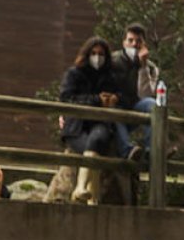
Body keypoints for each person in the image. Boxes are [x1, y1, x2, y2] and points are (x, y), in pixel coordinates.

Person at [60, 36, 120, 204]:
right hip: (76, 127)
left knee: (97, 140)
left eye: (101, 54)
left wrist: (113, 99)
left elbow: (120, 97)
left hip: (100, 124)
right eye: (93, 53)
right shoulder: (74, 74)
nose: (97, 57)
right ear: (87, 54)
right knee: (91, 147)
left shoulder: (110, 77)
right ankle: (91, 198)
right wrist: (96, 100)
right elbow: (66, 98)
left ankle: (81, 189)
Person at [109, 22, 160, 159]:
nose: (134, 44)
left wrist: (143, 66)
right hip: (114, 110)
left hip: (135, 108)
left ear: (144, 44)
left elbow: (145, 94)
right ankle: (128, 151)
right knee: (114, 111)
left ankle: (152, 150)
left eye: (138, 41)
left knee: (152, 104)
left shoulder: (151, 68)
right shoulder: (112, 61)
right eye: (130, 40)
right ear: (124, 42)